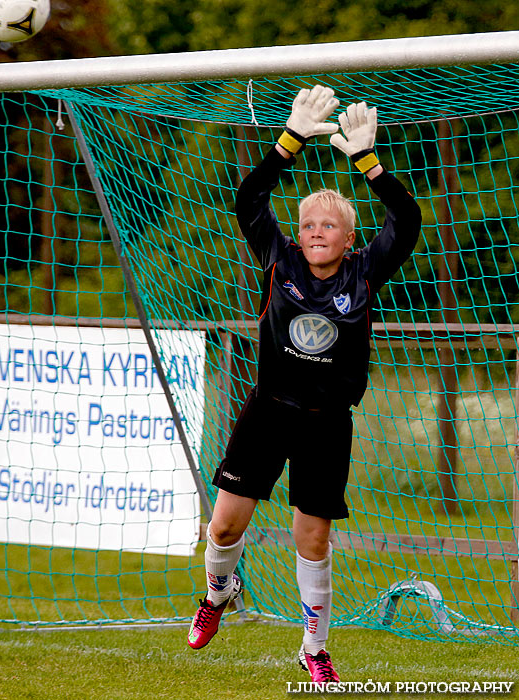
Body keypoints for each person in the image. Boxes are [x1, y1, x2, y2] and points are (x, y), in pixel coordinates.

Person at [187, 85, 422, 684]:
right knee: (223, 527)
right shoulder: (279, 258)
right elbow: (248, 199)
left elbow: (408, 219)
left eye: (329, 226)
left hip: (326, 422)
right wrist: (289, 140)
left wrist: (367, 161)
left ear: (348, 238)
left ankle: (313, 647)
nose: (317, 232)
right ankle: (216, 596)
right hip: (268, 411)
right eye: (309, 224)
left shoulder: (367, 270)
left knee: (311, 538)